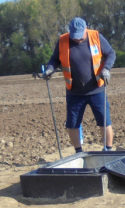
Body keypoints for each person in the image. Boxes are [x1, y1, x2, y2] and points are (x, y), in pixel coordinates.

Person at [43, 17, 116, 152]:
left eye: (80, 35)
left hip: (97, 89)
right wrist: (49, 69)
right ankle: (78, 152)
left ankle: (108, 150)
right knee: (72, 124)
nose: (77, 39)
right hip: (74, 92)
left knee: (104, 121)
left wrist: (106, 69)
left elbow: (111, 53)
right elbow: (55, 59)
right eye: (74, 36)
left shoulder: (96, 37)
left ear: (86, 28)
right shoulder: (63, 40)